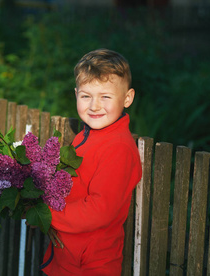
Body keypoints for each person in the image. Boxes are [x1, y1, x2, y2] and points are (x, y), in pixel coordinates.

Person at [41, 49, 142, 275]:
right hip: (68, 253)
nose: (94, 106)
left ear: (127, 98)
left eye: (105, 97)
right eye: (86, 96)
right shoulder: (87, 135)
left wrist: (48, 214)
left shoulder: (118, 148)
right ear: (76, 94)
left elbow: (100, 210)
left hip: (92, 262)